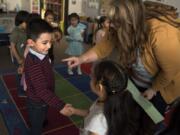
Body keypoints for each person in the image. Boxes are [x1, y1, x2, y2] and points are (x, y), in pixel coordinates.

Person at [63, 0, 180, 115]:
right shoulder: (119, 26)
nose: (110, 25)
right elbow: (103, 47)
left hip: (163, 87)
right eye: (110, 20)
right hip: (137, 79)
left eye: (116, 22)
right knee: (130, 113)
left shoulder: (161, 32)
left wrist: (153, 89)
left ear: (131, 21)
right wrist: (81, 59)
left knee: (150, 118)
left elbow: (170, 70)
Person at [69, 60, 155, 135]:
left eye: (91, 77)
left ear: (99, 87)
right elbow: (90, 112)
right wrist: (74, 111)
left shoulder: (96, 122)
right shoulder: (109, 101)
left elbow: (96, 121)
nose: (90, 78)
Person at [24, 18, 72, 135]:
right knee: (36, 127)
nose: (49, 46)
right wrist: (61, 106)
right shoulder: (33, 63)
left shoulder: (42, 53)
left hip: (44, 99)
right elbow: (41, 91)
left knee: (43, 112)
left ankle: (41, 121)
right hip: (37, 102)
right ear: (31, 43)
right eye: (45, 43)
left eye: (51, 42)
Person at [9, 10, 29, 97]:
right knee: (19, 74)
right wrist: (18, 59)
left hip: (24, 57)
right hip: (19, 58)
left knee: (24, 73)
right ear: (21, 21)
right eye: (27, 22)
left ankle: (24, 87)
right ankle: (20, 92)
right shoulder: (16, 31)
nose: (28, 24)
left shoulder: (24, 30)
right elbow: (12, 47)